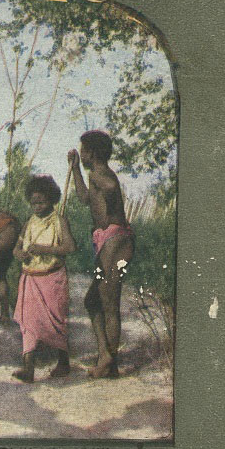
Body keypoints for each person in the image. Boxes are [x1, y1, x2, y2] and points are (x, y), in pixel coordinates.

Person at [68, 129, 135, 378]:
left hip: (116, 240)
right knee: (92, 301)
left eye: (83, 151)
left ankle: (109, 362)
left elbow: (110, 186)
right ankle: (107, 357)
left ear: (93, 153)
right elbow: (85, 198)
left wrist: (94, 175)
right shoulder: (94, 174)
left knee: (108, 304)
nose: (82, 155)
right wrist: (76, 169)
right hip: (107, 242)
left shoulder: (101, 174)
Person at [12, 175, 76, 383]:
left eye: (41, 202)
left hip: (52, 279)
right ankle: (28, 367)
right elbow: (16, 248)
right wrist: (19, 253)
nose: (37, 207)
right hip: (30, 278)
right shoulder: (29, 222)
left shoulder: (59, 221)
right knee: (28, 323)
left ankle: (64, 362)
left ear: (52, 200)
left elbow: (70, 247)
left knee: (56, 323)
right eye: (33, 203)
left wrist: (44, 249)